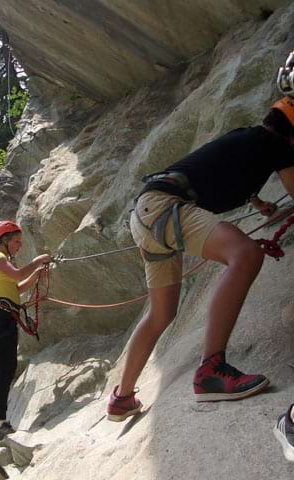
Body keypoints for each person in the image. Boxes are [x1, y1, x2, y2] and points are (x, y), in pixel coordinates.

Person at [107, 95, 294, 422]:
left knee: (161, 314)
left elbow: (222, 171)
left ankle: (122, 399)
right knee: (245, 254)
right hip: (167, 208)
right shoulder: (277, 146)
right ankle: (211, 371)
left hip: (148, 213)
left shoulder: (249, 139)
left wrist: (258, 201)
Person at [0, 220, 51, 439]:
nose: (19, 246)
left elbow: (18, 286)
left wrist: (37, 273)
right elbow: (19, 276)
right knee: (4, 370)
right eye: (16, 241)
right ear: (3, 240)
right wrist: (38, 261)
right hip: (1, 318)